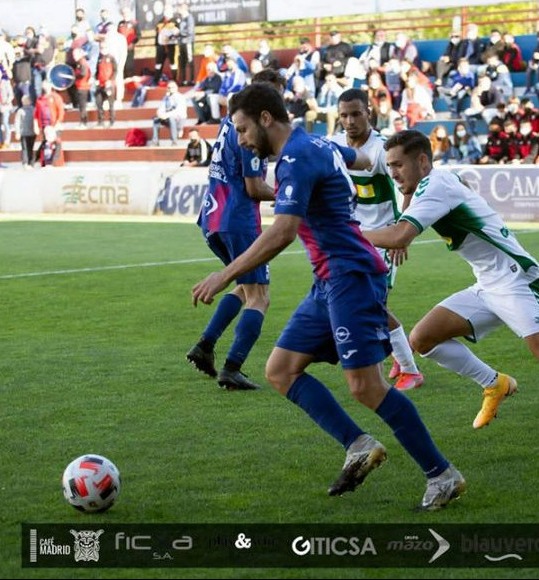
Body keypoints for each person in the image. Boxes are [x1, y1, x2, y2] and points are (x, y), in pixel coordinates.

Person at [191, 84, 465, 511]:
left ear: (266, 119)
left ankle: (441, 474)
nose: (241, 140)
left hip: (351, 276)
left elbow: (282, 232)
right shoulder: (318, 144)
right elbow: (360, 157)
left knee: (366, 387)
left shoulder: (299, 158)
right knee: (281, 370)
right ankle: (358, 444)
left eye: (243, 129)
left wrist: (225, 274)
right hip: (327, 280)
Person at [364, 130, 539, 461]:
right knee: (423, 339)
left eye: (398, 165)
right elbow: (405, 222)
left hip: (516, 279)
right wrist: (401, 229)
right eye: (390, 166)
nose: (394, 173)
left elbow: (401, 234)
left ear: (422, 161)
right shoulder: (435, 181)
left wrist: (351, 233)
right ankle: (494, 383)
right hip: (487, 284)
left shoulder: (437, 186)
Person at [186, 70, 283, 390]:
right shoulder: (251, 130)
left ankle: (205, 345)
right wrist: (290, 196)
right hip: (238, 218)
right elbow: (254, 188)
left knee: (244, 287)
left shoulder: (231, 123)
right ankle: (233, 366)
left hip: (213, 217)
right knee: (260, 297)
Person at [330, 89, 425, 391]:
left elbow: (410, 187)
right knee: (367, 304)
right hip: (353, 237)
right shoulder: (336, 146)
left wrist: (403, 233)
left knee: (372, 306)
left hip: (383, 236)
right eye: (344, 115)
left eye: (356, 113)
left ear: (368, 112)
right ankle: (399, 356)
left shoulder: (383, 149)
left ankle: (411, 370)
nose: (349, 121)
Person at [151, 81, 187, 146]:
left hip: (179, 119)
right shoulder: (166, 98)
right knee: (156, 120)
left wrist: (166, 115)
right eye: (169, 87)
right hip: (168, 117)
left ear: (176, 88)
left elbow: (179, 111)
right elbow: (161, 108)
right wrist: (160, 114)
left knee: (171, 118)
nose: (170, 89)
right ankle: (155, 142)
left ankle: (174, 141)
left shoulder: (181, 97)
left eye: (172, 87)